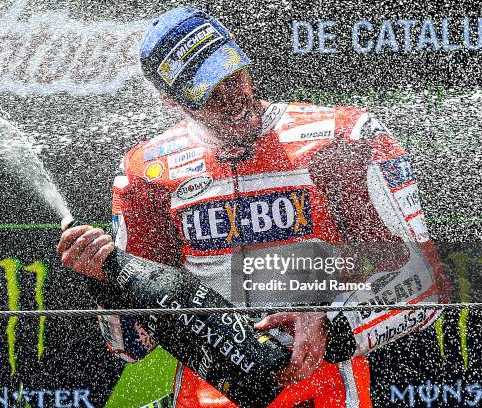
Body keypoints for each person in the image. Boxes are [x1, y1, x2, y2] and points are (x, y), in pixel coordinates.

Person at [57, 6, 448, 407]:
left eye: (233, 75)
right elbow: (131, 349)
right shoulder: (145, 173)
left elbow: (427, 281)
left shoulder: (343, 138)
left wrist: (330, 326)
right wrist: (103, 279)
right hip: (201, 396)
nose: (234, 98)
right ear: (171, 102)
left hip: (324, 393)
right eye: (209, 91)